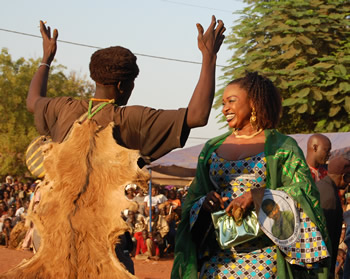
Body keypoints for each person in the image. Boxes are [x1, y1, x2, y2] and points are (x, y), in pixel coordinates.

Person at [171, 72, 331, 279]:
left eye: (231, 101)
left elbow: (305, 194)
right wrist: (204, 202)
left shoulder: (282, 147)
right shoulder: (212, 147)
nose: (225, 108)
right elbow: (193, 197)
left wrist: (258, 196)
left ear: (254, 103)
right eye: (223, 103)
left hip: (264, 256)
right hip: (219, 257)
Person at [26, 17, 225, 167]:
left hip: (57, 219)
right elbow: (197, 116)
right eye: (132, 83)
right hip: (102, 219)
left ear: (95, 77)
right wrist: (209, 56)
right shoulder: (131, 120)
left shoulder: (64, 109)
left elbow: (33, 101)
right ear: (122, 86)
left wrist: (47, 57)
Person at [316, 155, 350, 278]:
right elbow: (327, 236)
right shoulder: (330, 196)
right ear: (344, 176)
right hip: (322, 264)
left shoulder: (323, 186)